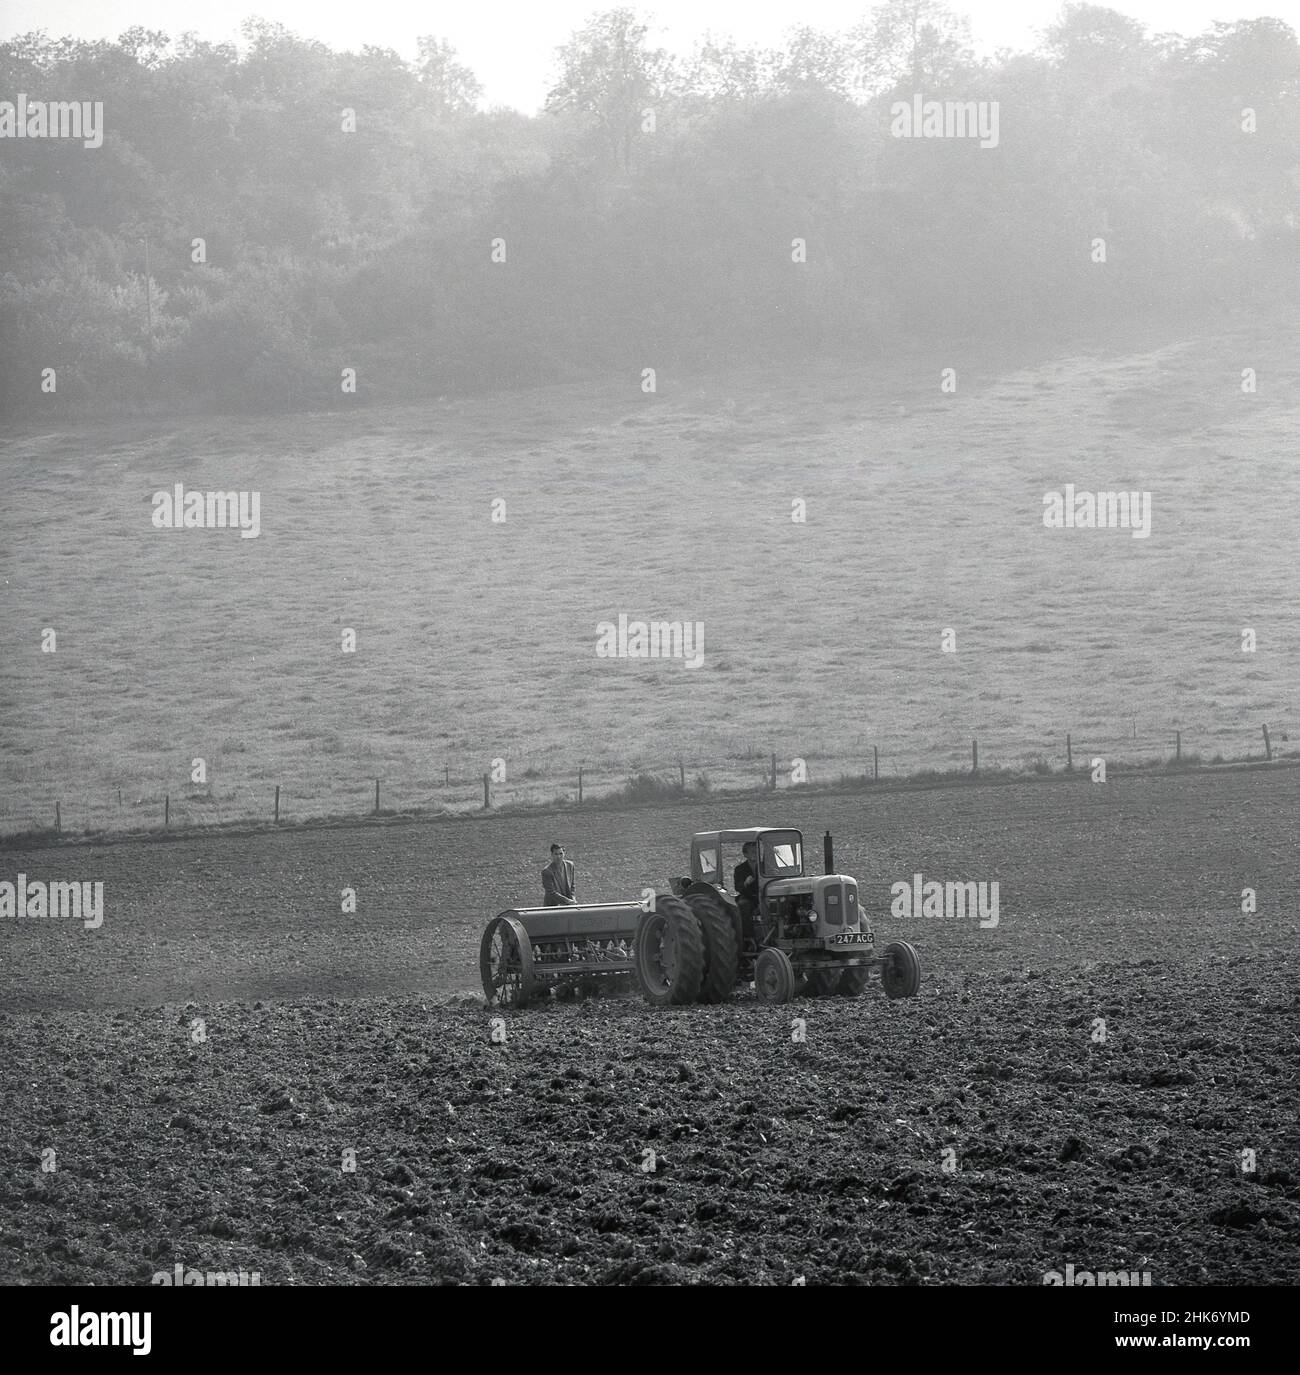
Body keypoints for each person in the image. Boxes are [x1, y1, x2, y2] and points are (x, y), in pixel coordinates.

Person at [733, 841, 759, 919]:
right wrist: (745, 883)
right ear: (745, 854)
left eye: (756, 851)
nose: (755, 853)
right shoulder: (739, 869)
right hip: (748, 897)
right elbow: (737, 887)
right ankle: (747, 930)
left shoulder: (765, 866)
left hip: (764, 895)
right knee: (743, 905)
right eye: (752, 851)